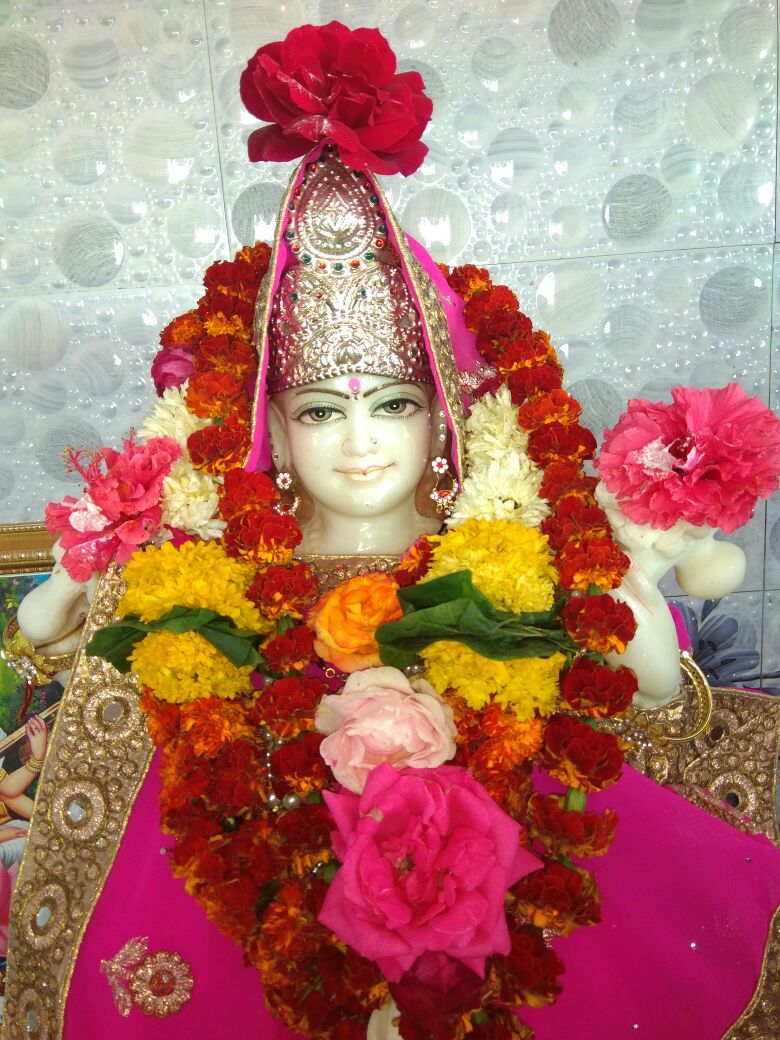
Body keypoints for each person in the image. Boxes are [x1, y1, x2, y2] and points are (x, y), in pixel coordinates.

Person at [4, 22, 780, 1040]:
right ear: (277, 427)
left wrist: (642, 616)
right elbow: (45, 633)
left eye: (397, 405)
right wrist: (77, 566)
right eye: (323, 410)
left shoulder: (509, 537)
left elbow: (651, 701)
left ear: (445, 414)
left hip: (503, 854)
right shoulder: (216, 552)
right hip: (255, 853)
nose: (362, 443)